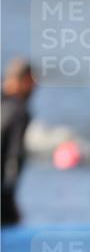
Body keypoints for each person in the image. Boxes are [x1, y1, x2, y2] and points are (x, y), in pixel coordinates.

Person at [1, 56, 36, 226]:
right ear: (24, 81)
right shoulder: (19, 112)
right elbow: (15, 156)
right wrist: (8, 202)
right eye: (32, 82)